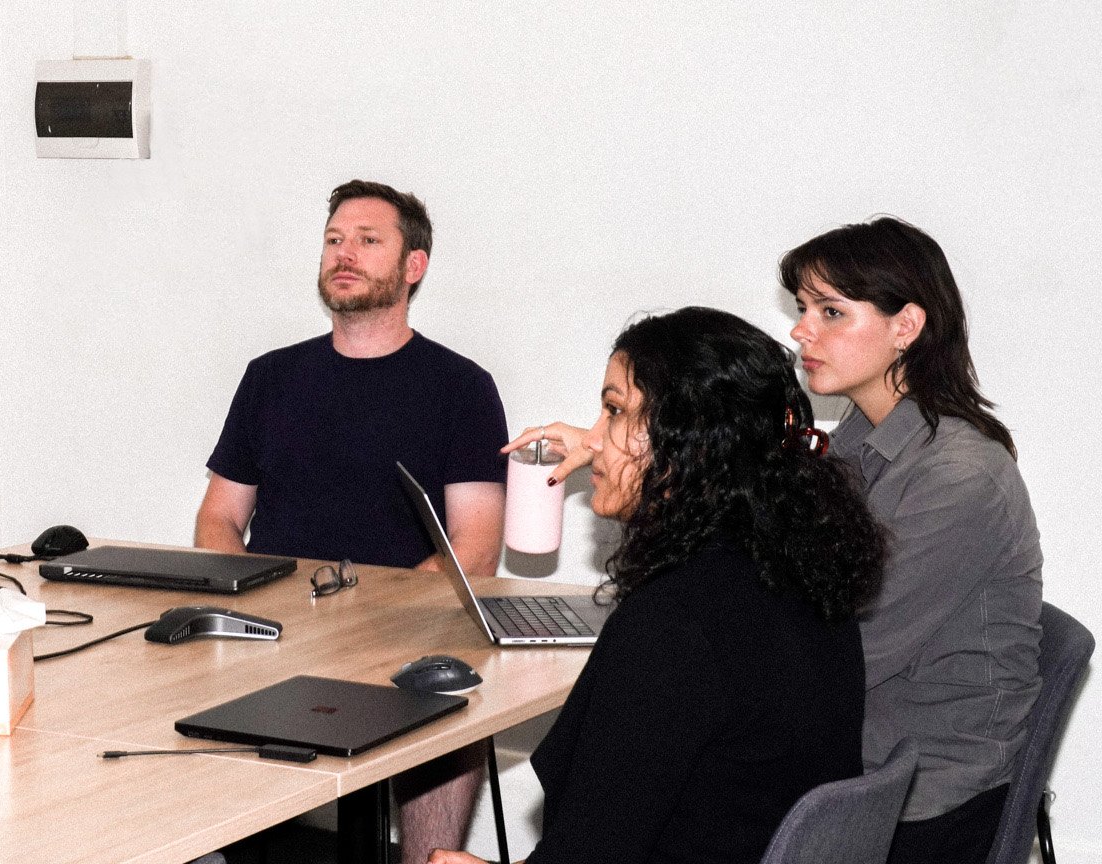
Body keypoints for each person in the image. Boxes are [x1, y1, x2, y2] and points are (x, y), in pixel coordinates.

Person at [431, 307, 886, 864]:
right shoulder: (798, 579)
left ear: (690, 440)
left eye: (614, 410)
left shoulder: (677, 624)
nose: (593, 441)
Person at [196, 179, 507, 861]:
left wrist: (370, 620)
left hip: (404, 636)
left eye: (368, 241)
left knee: (447, 690)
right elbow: (219, 519)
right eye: (335, 240)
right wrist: (257, 602)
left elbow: (475, 552)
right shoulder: (270, 377)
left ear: (413, 266)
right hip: (273, 634)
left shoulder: (461, 388)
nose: (345, 253)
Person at [779, 217, 1041, 864]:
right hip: (865, 755)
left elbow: (849, 650)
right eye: (803, 309)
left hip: (928, 796)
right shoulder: (855, 443)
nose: (800, 331)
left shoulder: (959, 476)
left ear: (906, 327)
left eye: (831, 312)